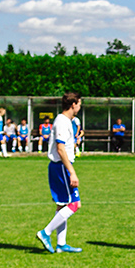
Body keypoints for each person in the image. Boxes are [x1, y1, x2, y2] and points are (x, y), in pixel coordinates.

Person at [37, 93, 87, 253]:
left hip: (60, 166)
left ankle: (61, 244)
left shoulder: (67, 121)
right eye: (79, 104)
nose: (80, 107)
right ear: (73, 104)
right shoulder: (62, 121)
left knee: (62, 205)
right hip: (61, 167)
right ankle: (45, 232)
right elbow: (60, 148)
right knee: (74, 204)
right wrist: (72, 172)